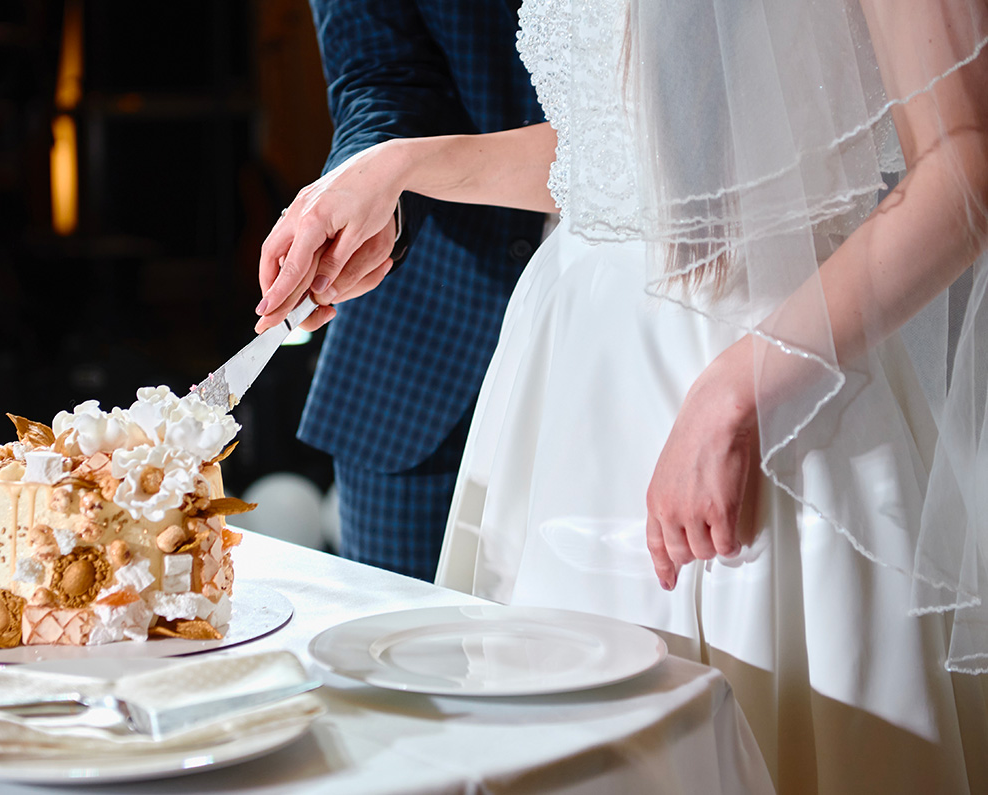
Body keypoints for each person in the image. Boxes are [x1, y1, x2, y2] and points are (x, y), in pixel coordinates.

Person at [258, 0, 988, 791]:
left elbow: (963, 164)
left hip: (766, 371)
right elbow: (619, 154)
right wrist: (392, 167)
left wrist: (736, 390)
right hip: (569, 383)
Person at [260, 0, 546, 580]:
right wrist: (376, 198)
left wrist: (401, 167)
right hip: (420, 350)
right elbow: (378, 79)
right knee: (392, 659)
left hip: (632, 333)